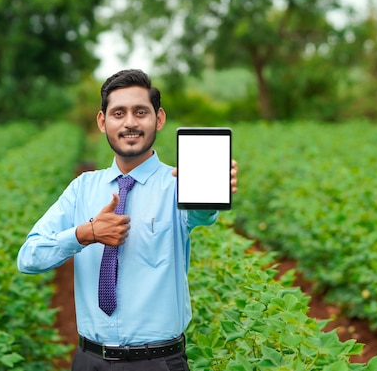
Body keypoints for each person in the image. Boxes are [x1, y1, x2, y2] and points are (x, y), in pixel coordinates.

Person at [17, 69, 238, 371]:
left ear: (158, 119)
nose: (130, 123)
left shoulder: (178, 185)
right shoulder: (82, 188)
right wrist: (86, 233)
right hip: (89, 360)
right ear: (102, 121)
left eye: (141, 112)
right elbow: (28, 258)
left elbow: (201, 214)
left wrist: (208, 189)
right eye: (118, 113)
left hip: (158, 362)